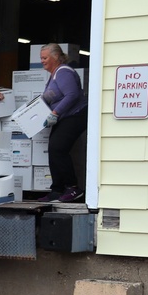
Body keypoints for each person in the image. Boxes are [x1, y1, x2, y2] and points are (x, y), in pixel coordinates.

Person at [36, 43, 87, 203]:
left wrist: (55, 113)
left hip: (75, 115)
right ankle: (57, 190)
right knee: (53, 149)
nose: (42, 61)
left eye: (45, 58)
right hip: (63, 118)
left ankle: (73, 188)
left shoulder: (63, 72)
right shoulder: (54, 74)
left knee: (58, 148)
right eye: (41, 58)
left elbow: (71, 95)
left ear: (56, 57)